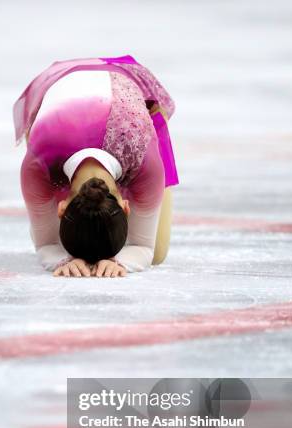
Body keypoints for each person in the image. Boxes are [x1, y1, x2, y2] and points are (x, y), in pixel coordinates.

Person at [13, 55, 179, 277]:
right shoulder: (38, 162)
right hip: (56, 98)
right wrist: (62, 259)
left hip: (139, 103)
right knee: (75, 237)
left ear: (62, 209)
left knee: (157, 254)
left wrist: (119, 263)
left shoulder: (143, 152)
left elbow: (147, 250)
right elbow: (47, 246)